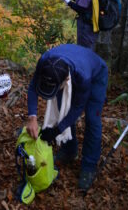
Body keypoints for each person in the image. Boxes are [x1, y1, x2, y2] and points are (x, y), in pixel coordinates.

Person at [26, 43, 108, 192]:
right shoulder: (45, 61)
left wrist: (57, 130)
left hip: (96, 74)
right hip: (71, 66)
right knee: (61, 108)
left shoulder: (84, 76)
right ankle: (70, 151)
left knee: (92, 119)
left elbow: (77, 108)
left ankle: (89, 166)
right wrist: (32, 118)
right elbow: (32, 88)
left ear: (64, 82)